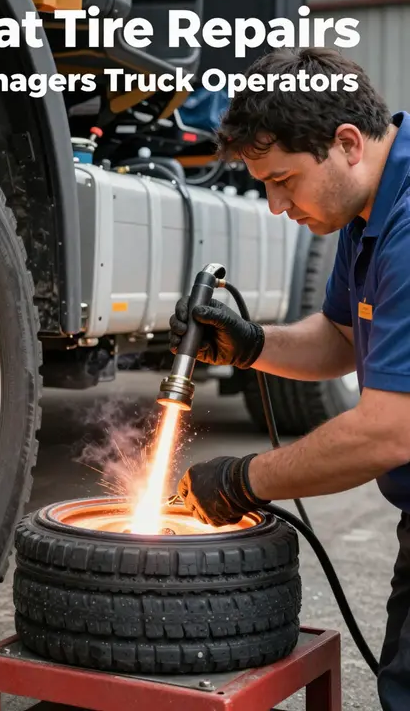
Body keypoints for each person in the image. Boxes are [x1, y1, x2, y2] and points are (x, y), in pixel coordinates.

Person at [170, 47, 410, 710]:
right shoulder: (365, 208)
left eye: (283, 180)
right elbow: (340, 337)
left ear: (347, 143)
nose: (277, 205)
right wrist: (251, 346)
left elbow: (390, 432)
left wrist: (244, 481)